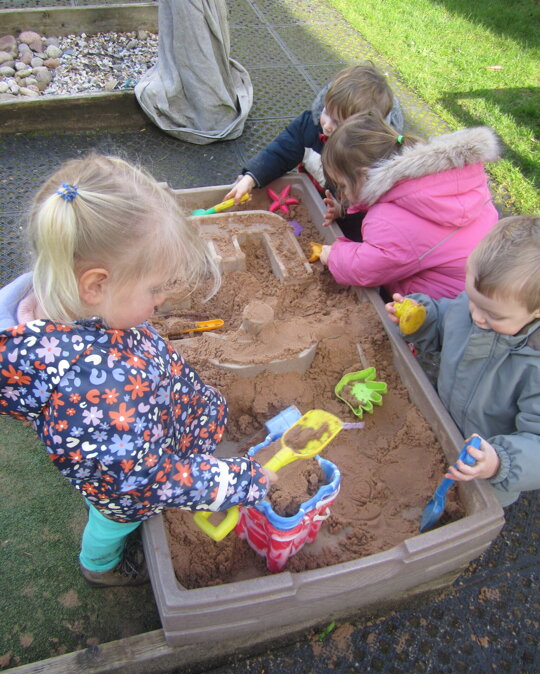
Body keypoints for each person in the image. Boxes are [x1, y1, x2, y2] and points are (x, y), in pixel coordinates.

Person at [0, 153, 276, 587]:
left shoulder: (64, 301)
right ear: (96, 285)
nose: (162, 300)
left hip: (149, 428)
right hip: (124, 486)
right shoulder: (91, 397)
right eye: (154, 289)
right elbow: (144, 480)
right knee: (113, 522)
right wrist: (241, 481)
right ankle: (99, 567)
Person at [385, 216, 540, 508]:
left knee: (473, 504)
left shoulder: (534, 366)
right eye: (472, 299)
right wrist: (423, 319)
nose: (477, 317)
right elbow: (446, 323)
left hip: (485, 465)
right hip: (441, 423)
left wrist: (499, 462)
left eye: (493, 315)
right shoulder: (474, 308)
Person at [318, 110, 501, 299]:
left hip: (448, 302)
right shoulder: (440, 176)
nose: (342, 194)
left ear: (364, 176)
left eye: (343, 186)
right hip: (483, 278)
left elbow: (367, 268)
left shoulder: (390, 221)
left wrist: (334, 256)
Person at [224, 62, 404, 239]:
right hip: (309, 194)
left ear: (361, 132)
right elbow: (280, 152)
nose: (327, 125)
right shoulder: (310, 126)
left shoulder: (370, 161)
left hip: (345, 219)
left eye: (338, 123)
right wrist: (250, 178)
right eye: (327, 112)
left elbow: (369, 209)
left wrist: (342, 211)